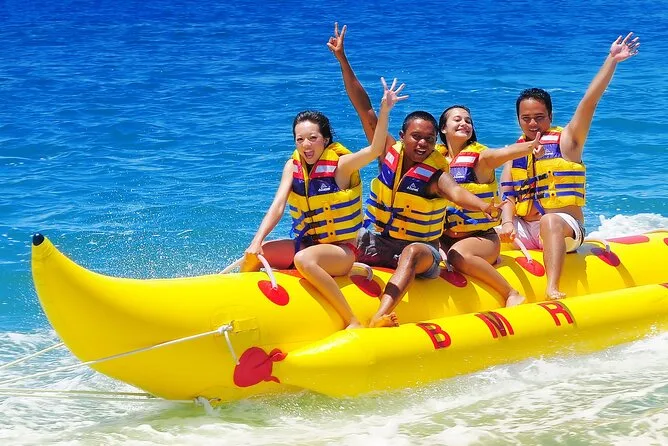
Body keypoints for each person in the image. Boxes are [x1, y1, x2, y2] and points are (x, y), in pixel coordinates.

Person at [327, 23, 538, 309]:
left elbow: (458, 193)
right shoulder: (388, 154)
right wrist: (342, 59)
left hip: (426, 247)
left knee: (421, 253)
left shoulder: (437, 173)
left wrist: (485, 206)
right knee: (336, 238)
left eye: (429, 139)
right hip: (384, 239)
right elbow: (365, 111)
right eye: (416, 137)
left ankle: (382, 314)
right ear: (402, 136)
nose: (423, 143)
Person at [240, 77, 408, 329]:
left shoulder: (341, 166)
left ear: (325, 139)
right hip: (309, 243)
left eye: (312, 138)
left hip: (342, 252)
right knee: (257, 254)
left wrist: (384, 110)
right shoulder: (292, 166)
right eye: (299, 139)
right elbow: (278, 206)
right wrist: (256, 241)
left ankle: (351, 320)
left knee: (304, 260)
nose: (306, 145)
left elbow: (375, 150)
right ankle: (244, 309)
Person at [499, 32, 640, 300]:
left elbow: (589, 102)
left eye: (539, 117)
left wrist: (611, 60)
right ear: (518, 120)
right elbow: (508, 196)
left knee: (550, 220)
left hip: (565, 228)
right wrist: (506, 223)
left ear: (550, 116)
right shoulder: (514, 152)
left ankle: (552, 286)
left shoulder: (567, 142)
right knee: (487, 230)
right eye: (526, 118)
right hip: (526, 228)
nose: (533, 124)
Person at [438, 105, 543, 307]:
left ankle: (511, 293)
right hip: (443, 237)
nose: (464, 124)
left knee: (458, 255)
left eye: (468, 121)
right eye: (457, 120)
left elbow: (502, 153)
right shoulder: (435, 160)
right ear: (443, 128)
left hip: (482, 239)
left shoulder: (481, 159)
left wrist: (529, 147)